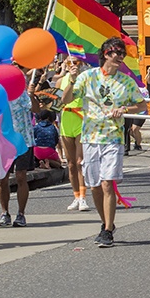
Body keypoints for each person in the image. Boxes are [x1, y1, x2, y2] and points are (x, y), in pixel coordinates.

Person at [62, 37, 145, 248]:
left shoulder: (126, 82)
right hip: (90, 138)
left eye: (122, 54)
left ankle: (108, 230)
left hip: (113, 139)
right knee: (95, 186)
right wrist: (71, 80)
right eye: (117, 53)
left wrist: (124, 110)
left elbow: (141, 105)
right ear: (106, 54)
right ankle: (104, 223)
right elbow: (66, 100)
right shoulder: (87, 77)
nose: (120, 57)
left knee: (108, 183)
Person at [0, 74, 40, 228]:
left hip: (24, 140)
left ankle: (21, 214)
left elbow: (36, 109)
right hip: (4, 141)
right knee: (3, 178)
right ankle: (4, 213)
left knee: (21, 177)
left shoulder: (23, 94)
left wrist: (32, 95)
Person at [58, 56, 89, 211]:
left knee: (79, 162)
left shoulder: (85, 79)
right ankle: (76, 196)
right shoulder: (62, 80)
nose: (72, 65)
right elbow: (58, 102)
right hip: (66, 119)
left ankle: (83, 197)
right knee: (70, 164)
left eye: (75, 62)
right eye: (69, 62)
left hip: (81, 118)